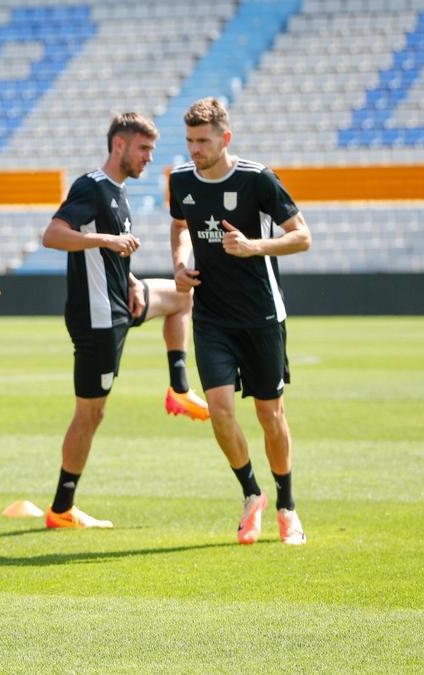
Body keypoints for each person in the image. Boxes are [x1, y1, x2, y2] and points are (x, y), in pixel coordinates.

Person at [38, 112, 212, 529]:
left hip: (121, 301)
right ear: (119, 146)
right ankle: (62, 508)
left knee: (181, 294)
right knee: (90, 415)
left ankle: (179, 388)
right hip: (97, 319)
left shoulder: (118, 192)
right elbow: (53, 235)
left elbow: (109, 254)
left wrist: (131, 278)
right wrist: (105, 239)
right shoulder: (91, 187)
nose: (150, 157)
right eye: (144, 149)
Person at [169, 97, 311, 545]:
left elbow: (302, 237)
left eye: (203, 141)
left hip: (261, 316)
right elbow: (179, 227)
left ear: (225, 139)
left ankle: (288, 506)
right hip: (211, 317)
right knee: (221, 413)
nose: (195, 150)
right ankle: (252, 495)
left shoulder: (258, 179)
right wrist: (179, 264)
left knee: (270, 414)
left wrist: (254, 247)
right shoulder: (180, 180)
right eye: (190, 141)